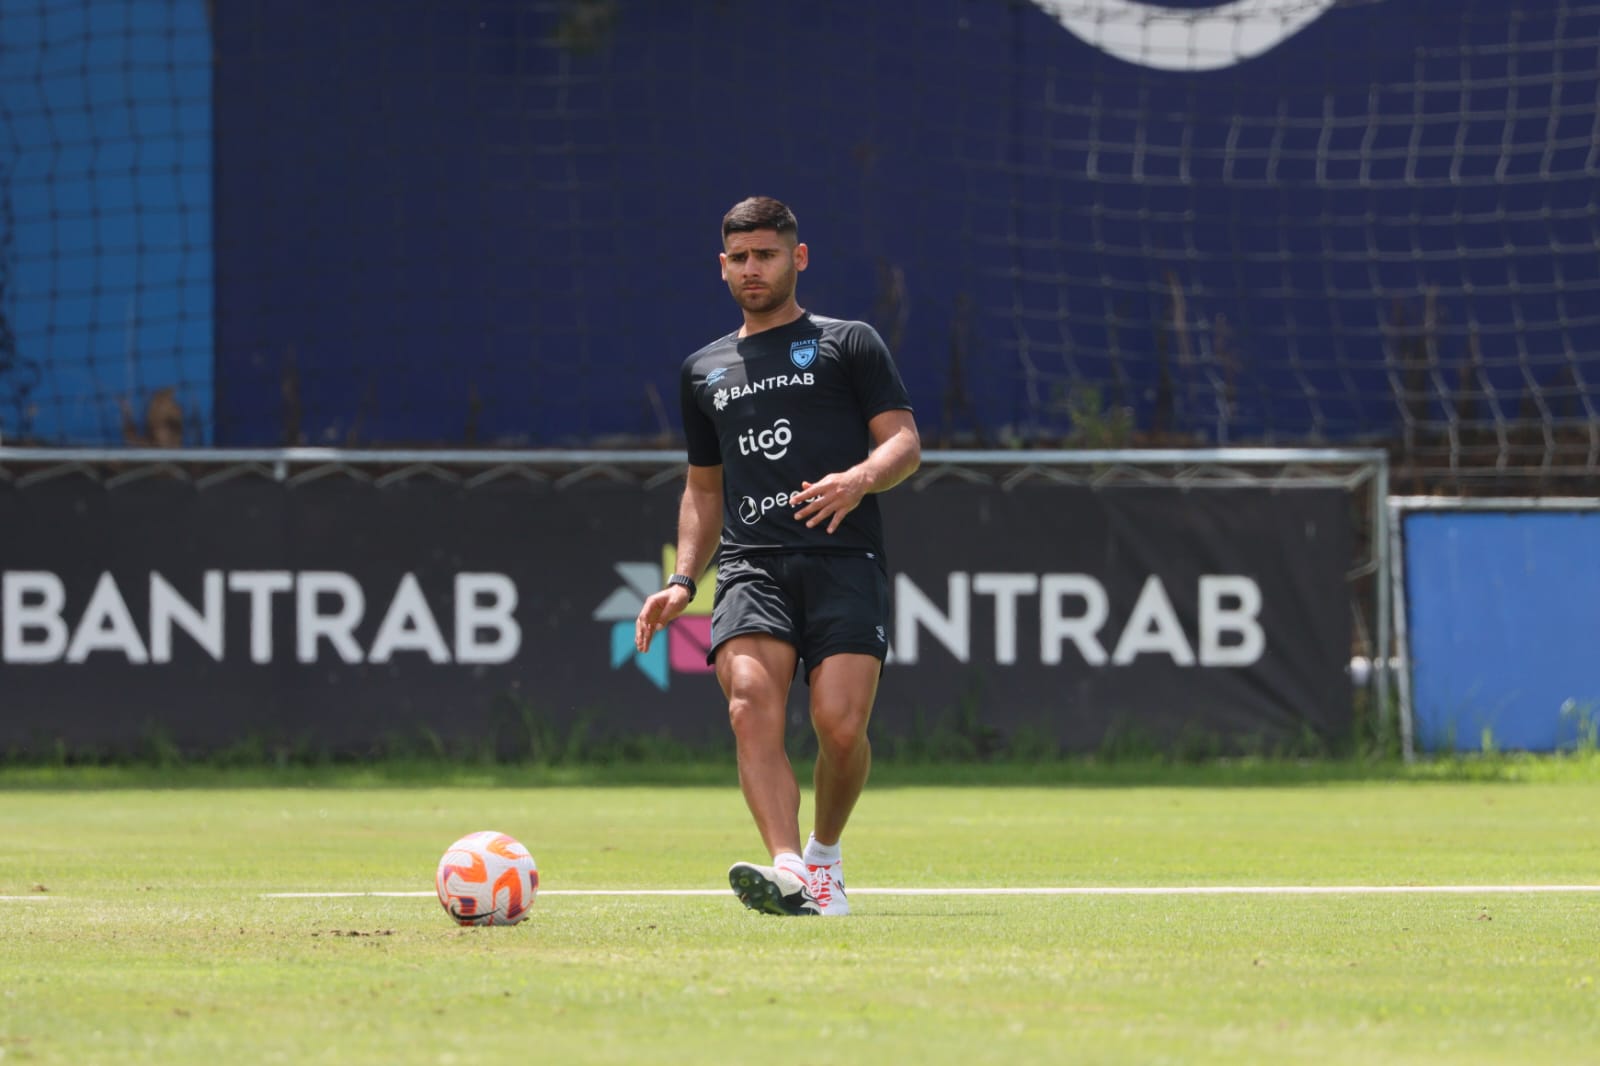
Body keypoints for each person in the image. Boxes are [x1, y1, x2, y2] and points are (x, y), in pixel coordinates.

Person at [634, 196, 921, 917]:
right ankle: (789, 869)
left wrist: (859, 478)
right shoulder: (704, 369)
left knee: (840, 725)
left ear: (798, 258)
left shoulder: (847, 343)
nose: (752, 268)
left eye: (766, 254)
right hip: (752, 565)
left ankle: (825, 854)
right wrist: (680, 579)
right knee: (748, 703)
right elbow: (703, 487)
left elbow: (905, 444)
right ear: (722, 267)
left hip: (842, 556)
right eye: (740, 257)